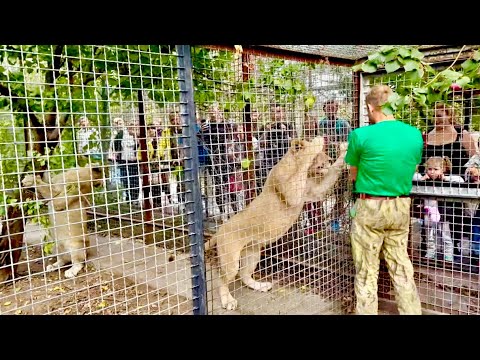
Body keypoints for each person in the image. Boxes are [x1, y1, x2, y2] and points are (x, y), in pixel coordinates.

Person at [345, 84, 423, 315]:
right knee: (401, 267)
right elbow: (412, 167)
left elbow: (353, 175)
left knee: (366, 271)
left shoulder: (360, 135)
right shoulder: (414, 134)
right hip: (400, 205)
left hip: (370, 206)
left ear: (370, 106)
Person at [420, 102, 478, 260]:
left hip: (455, 186)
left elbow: (475, 158)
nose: (436, 119)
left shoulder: (461, 133)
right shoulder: (426, 136)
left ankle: (454, 250)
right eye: (434, 116)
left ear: (450, 115)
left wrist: (472, 173)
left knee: (453, 220)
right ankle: (430, 249)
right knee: (429, 220)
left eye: (440, 115)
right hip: (430, 187)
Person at [412, 156, 464, 262]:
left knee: (445, 236)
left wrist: (445, 178)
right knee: (429, 235)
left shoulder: (446, 179)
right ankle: (431, 253)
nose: (432, 172)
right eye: (430, 169)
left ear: (443, 169)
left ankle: (448, 256)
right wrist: (422, 179)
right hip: (428, 213)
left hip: (442, 214)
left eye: (436, 169)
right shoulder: (425, 179)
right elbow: (412, 176)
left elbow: (461, 180)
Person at [318, 100, 352, 232]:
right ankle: (321, 221)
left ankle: (335, 220)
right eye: (328, 108)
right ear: (324, 110)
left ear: (337, 109)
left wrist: (338, 144)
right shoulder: (322, 124)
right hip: (326, 162)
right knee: (323, 191)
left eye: (333, 108)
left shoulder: (343, 124)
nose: (331, 110)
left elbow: (350, 142)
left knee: (339, 193)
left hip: (340, 163)